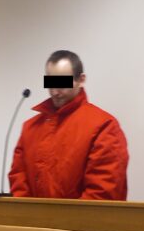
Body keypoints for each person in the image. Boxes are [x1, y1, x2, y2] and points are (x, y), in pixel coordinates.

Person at [8, 49, 129, 200]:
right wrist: (27, 212)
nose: (55, 92)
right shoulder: (30, 127)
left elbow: (102, 193)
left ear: (81, 80)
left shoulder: (104, 126)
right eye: (51, 83)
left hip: (82, 216)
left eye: (62, 83)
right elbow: (18, 179)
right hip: (32, 216)